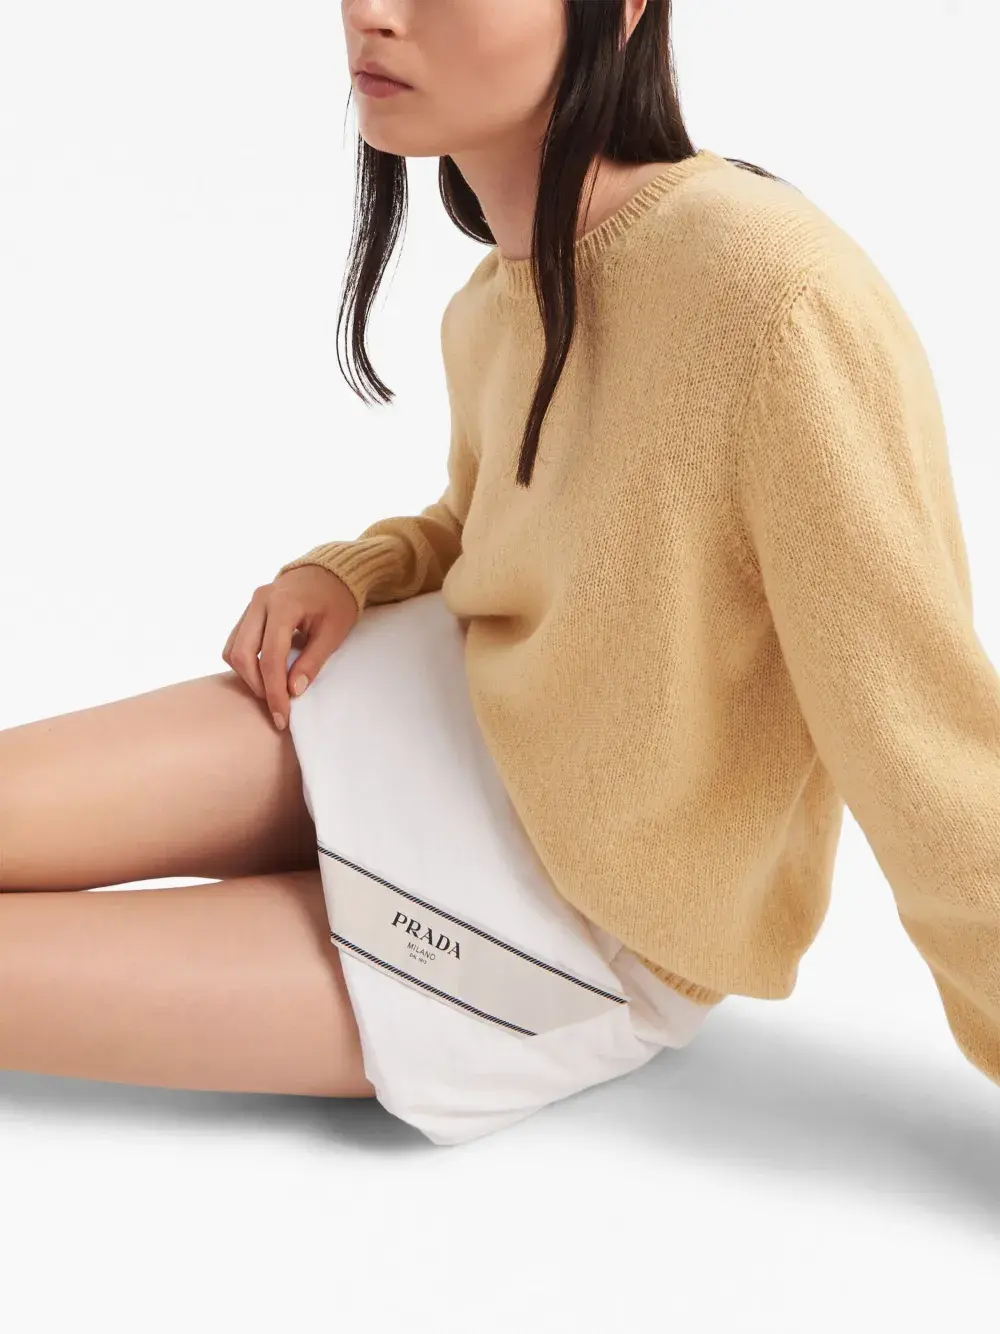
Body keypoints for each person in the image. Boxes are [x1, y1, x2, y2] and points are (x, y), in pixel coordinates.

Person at [3, 0, 997, 1147]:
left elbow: (924, 745)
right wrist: (358, 569)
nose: (374, 14)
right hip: (433, 702)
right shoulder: (495, 297)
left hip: (576, 921)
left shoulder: (777, 299)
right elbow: (494, 521)